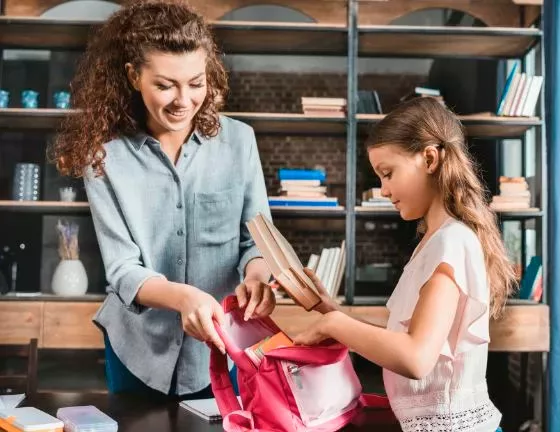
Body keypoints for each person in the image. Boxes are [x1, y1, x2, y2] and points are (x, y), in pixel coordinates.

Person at [51, 1, 277, 398]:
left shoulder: (240, 142)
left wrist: (258, 278)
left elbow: (255, 240)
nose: (183, 100)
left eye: (195, 82)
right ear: (134, 76)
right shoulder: (104, 156)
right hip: (138, 352)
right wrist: (183, 296)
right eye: (165, 84)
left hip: (225, 345)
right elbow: (122, 269)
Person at [284, 97, 513, 431]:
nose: (384, 190)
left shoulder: (450, 243)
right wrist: (328, 310)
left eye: (388, 174)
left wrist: (334, 326)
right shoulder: (435, 241)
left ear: (430, 159)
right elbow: (403, 339)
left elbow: (415, 358)